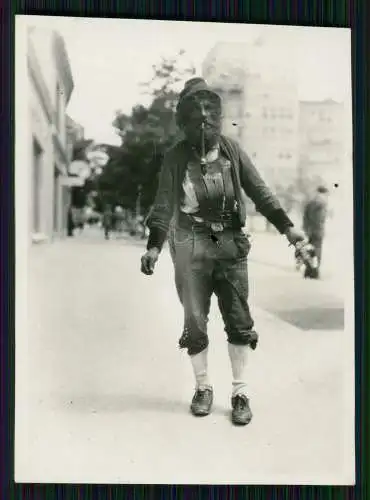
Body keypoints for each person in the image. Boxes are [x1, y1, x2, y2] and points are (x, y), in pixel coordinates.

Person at [140, 78, 306, 426]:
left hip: (230, 247)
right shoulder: (175, 157)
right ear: (183, 121)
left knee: (238, 320)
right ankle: (203, 388)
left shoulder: (232, 150)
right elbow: (163, 205)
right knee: (195, 321)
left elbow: (261, 194)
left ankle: (240, 392)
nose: (204, 122)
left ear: (217, 118)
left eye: (209, 115)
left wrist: (290, 231)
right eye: (195, 115)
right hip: (189, 249)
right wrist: (154, 246)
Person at [302, 186, 329, 279]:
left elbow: (305, 216)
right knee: (317, 251)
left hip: (309, 230)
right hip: (317, 231)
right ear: (323, 193)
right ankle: (314, 272)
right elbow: (320, 219)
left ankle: (308, 271)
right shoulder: (322, 203)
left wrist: (306, 229)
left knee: (310, 250)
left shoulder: (310, 202)